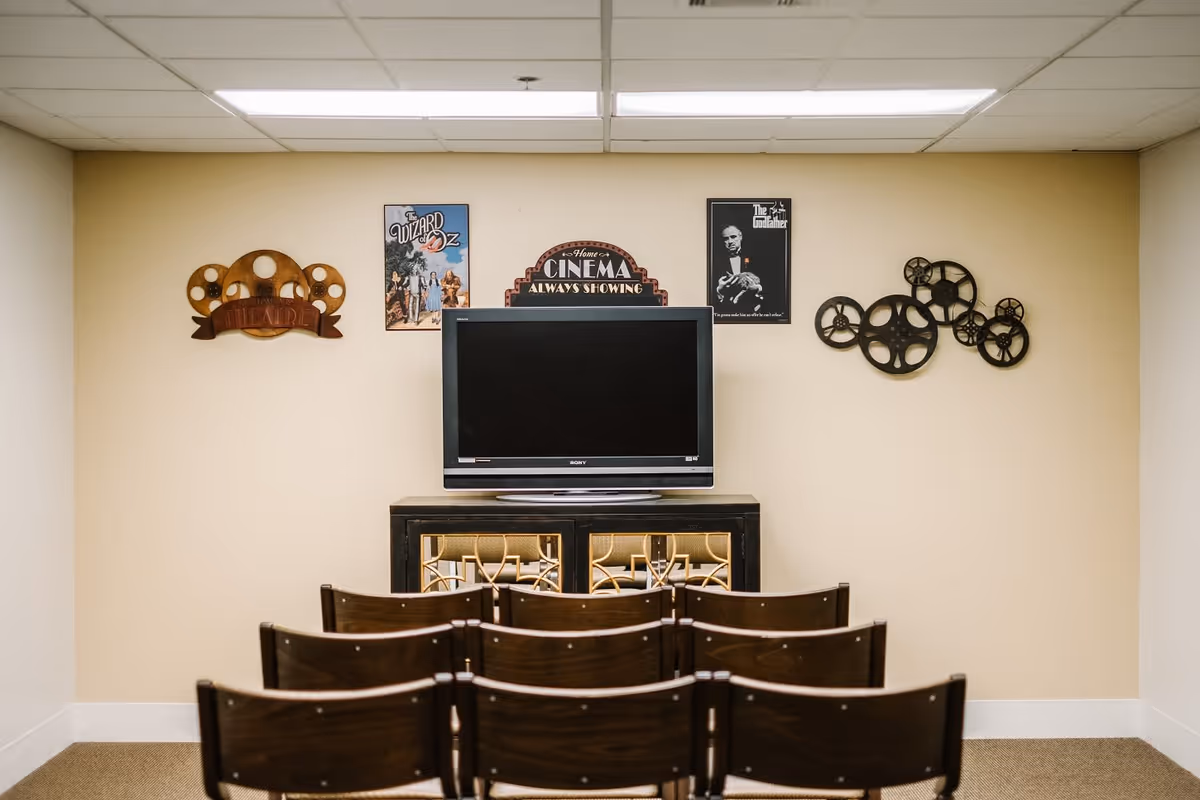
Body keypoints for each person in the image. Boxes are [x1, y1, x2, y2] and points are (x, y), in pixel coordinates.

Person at [713, 224, 764, 313]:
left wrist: (757, 288)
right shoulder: (715, 262)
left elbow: (772, 285)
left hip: (752, 310)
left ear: (740, 237)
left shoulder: (756, 257)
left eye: (733, 237)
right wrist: (718, 289)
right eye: (726, 239)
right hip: (726, 311)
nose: (730, 241)